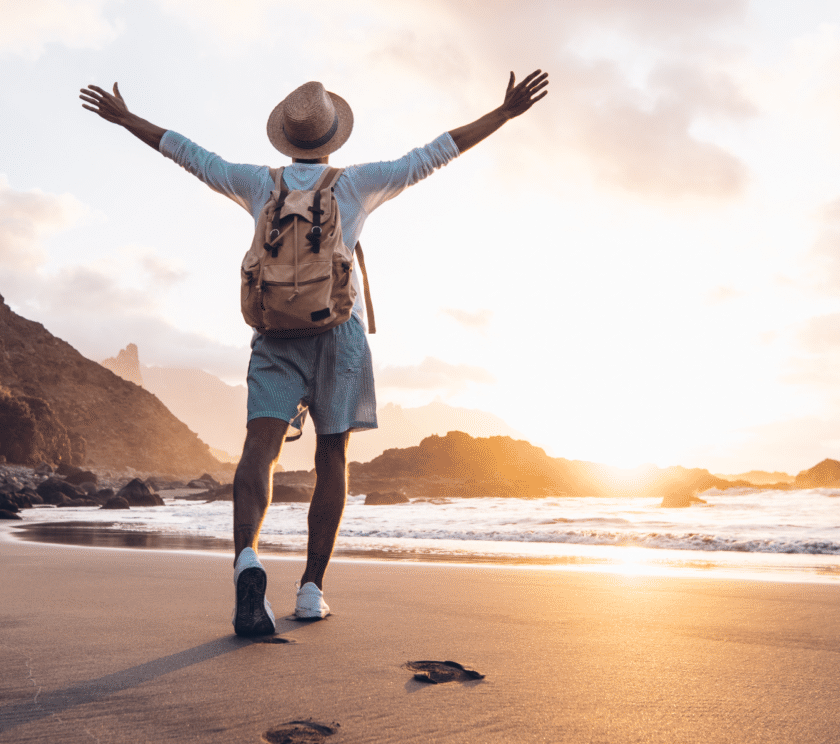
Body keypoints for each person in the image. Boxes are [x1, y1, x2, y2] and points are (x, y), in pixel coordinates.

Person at [78, 70, 550, 636]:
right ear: (330, 138)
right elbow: (434, 154)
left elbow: (190, 154)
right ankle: (310, 590)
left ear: (287, 137)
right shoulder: (356, 185)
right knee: (332, 454)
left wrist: (127, 119)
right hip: (337, 332)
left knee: (261, 448)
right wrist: (502, 115)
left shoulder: (257, 183)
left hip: (276, 333)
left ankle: (248, 561)